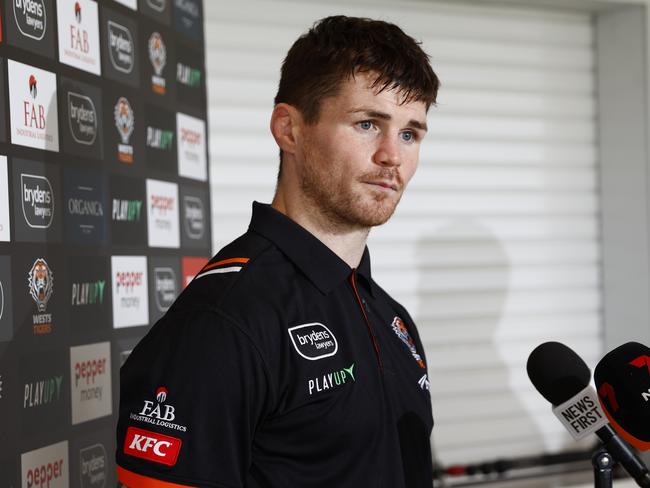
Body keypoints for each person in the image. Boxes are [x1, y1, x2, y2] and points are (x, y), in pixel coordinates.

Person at [116, 15, 440, 488]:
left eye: (410, 133)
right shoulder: (226, 319)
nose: (392, 156)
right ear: (288, 129)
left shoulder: (391, 317)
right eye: (368, 123)